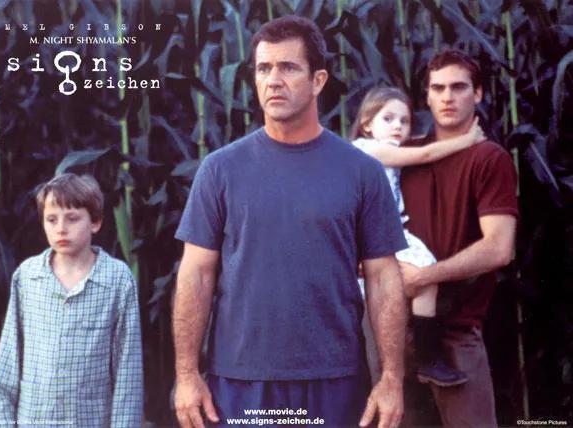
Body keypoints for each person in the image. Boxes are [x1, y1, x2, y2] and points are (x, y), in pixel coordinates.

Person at [172, 15, 407, 428]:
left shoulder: (360, 172)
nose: (273, 81)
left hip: (335, 377)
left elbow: (384, 278)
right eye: (264, 68)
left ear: (318, 80)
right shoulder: (221, 170)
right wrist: (188, 375)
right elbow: (196, 274)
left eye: (288, 68)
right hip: (241, 380)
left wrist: (391, 378)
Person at [400, 50, 518, 427]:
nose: (447, 97)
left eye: (458, 87)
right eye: (438, 88)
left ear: (478, 93)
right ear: (427, 96)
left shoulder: (489, 158)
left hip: (455, 329)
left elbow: (499, 248)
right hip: (393, 330)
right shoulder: (405, 156)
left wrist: (425, 277)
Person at [350, 86, 485, 388]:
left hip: (392, 233)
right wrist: (467, 140)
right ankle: (423, 359)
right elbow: (424, 153)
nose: (398, 126)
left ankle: (425, 357)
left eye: (405, 121)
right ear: (367, 124)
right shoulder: (366, 149)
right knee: (410, 283)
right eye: (388, 119)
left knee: (425, 275)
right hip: (371, 237)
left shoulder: (389, 148)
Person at [0, 173, 143, 427]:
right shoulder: (27, 277)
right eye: (51, 219)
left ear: (95, 222)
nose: (61, 228)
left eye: (72, 218)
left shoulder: (117, 280)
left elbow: (128, 374)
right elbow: (7, 365)